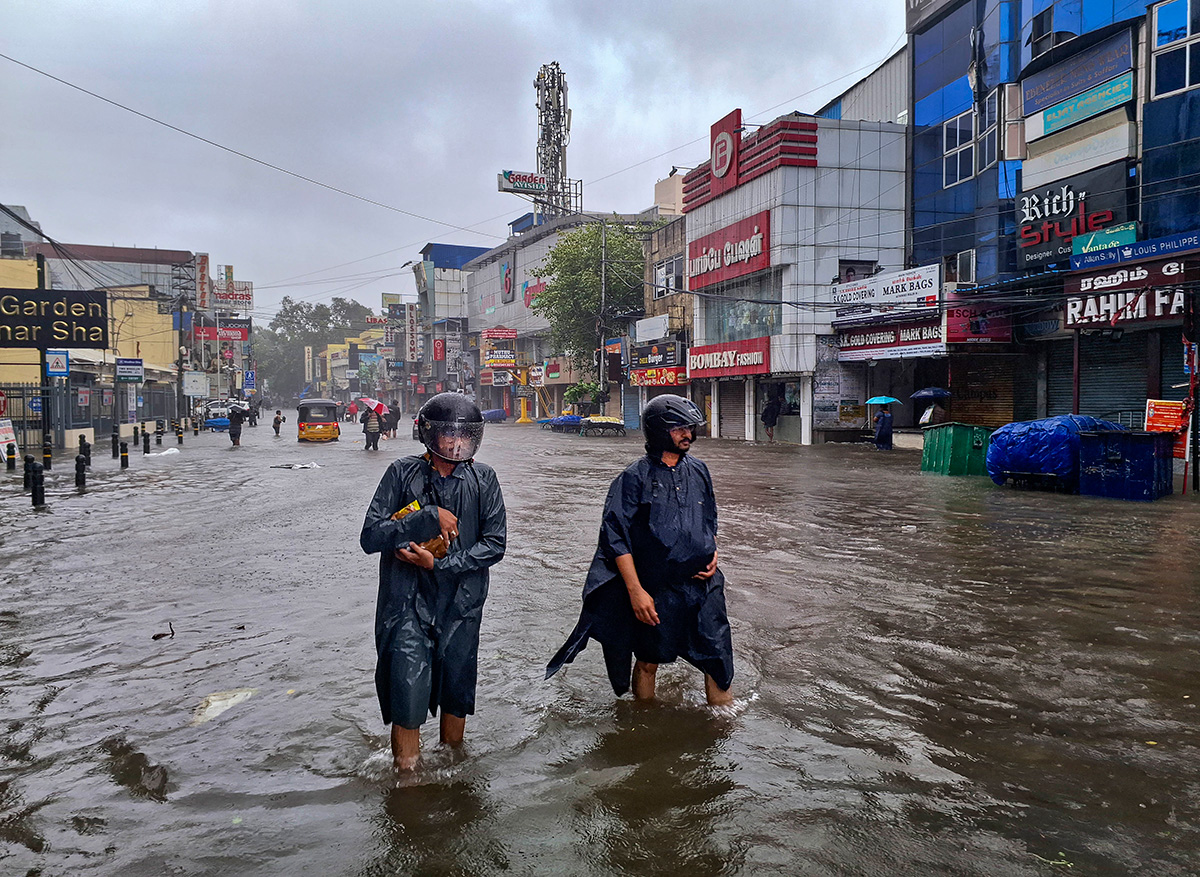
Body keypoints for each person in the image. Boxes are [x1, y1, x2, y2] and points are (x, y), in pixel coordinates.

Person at [546, 394, 733, 706]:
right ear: (659, 431)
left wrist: (713, 553)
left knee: (718, 656)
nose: (688, 434)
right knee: (648, 660)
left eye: (689, 427)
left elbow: (709, 518)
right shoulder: (633, 478)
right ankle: (644, 721)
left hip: (704, 584)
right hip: (656, 587)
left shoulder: (699, 470)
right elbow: (614, 536)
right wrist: (635, 592)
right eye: (679, 428)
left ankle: (723, 727)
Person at [360, 393, 507, 770]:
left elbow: (495, 544)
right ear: (429, 435)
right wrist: (427, 517)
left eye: (465, 435)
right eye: (448, 435)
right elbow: (371, 537)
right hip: (407, 603)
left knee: (457, 690)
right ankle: (407, 781)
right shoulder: (400, 472)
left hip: (462, 604)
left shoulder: (484, 478)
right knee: (407, 692)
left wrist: (438, 563)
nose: (457, 442)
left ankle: (454, 770)